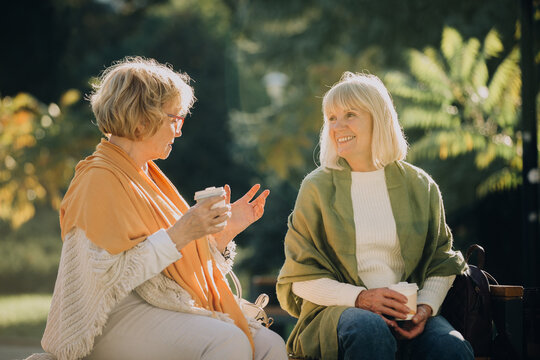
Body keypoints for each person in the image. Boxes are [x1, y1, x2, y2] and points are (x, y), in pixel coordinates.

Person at [30, 57, 287, 360]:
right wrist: (182, 231)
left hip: (160, 304)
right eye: (174, 118)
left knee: (271, 345)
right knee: (229, 341)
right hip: (108, 316)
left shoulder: (146, 176)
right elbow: (112, 277)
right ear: (142, 119)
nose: (178, 131)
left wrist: (221, 235)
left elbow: (172, 268)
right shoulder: (98, 178)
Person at [276, 72, 475, 360]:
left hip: (408, 313)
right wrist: (360, 299)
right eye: (331, 117)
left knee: (451, 348)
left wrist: (425, 308)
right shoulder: (316, 188)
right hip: (340, 314)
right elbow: (300, 278)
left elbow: (441, 261)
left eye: (350, 114)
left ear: (378, 119)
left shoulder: (419, 185)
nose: (337, 126)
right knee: (368, 329)